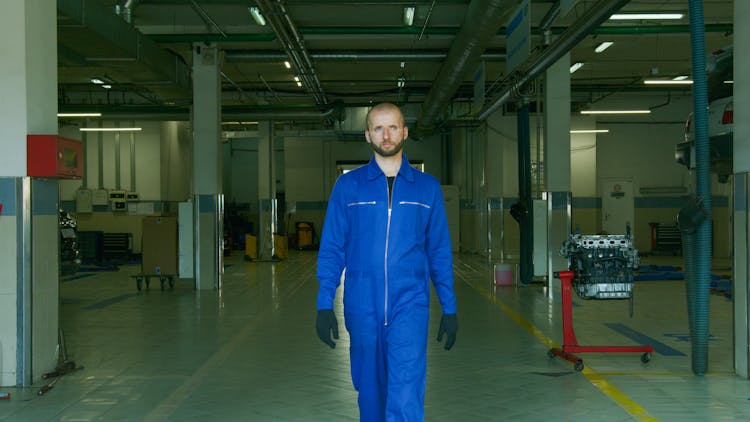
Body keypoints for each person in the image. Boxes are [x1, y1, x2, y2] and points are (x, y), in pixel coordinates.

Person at [315, 102, 458, 421]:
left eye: (393, 126)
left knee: (406, 391)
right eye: (378, 128)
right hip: (362, 305)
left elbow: (439, 252)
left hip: (410, 304)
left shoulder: (427, 188)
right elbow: (332, 248)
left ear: (405, 132)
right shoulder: (348, 186)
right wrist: (325, 303)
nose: (386, 134)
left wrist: (449, 308)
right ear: (368, 135)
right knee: (371, 393)